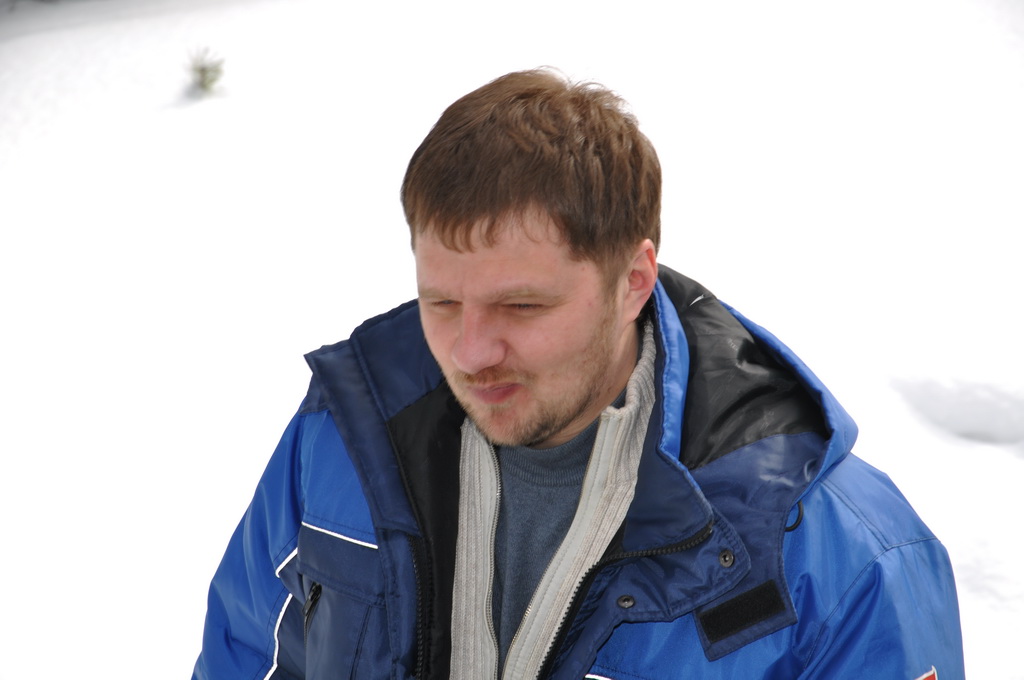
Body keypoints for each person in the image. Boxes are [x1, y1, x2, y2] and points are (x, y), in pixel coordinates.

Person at [192, 69, 964, 680]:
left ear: (633, 282)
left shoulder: (844, 556)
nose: (470, 351)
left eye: (522, 306)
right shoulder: (338, 443)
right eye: (441, 302)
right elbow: (246, 656)